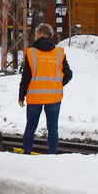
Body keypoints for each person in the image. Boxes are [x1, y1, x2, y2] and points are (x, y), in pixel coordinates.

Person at [19, 22, 73, 155]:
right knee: (52, 128)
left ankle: (26, 154)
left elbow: (26, 77)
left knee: (31, 127)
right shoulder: (59, 53)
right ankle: (52, 155)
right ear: (50, 36)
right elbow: (69, 74)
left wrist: (21, 96)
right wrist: (57, 85)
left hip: (34, 97)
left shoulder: (31, 53)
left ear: (37, 34)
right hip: (53, 97)